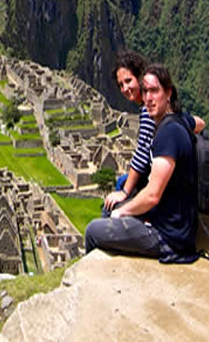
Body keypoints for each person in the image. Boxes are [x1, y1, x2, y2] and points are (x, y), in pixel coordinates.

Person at [85, 64, 199, 263]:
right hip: (175, 223)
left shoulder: (167, 133)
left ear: (168, 93)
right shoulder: (177, 121)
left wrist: (121, 212)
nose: (148, 98)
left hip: (167, 235)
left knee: (93, 231)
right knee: (114, 205)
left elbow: (152, 196)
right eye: (145, 91)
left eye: (154, 91)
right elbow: (199, 122)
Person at [103, 51, 205, 217]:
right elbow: (199, 123)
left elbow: (143, 152)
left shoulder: (149, 111)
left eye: (128, 81)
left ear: (140, 78)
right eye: (121, 85)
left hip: (167, 189)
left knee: (118, 194)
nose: (125, 88)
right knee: (123, 180)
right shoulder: (168, 109)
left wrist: (125, 192)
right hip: (181, 185)